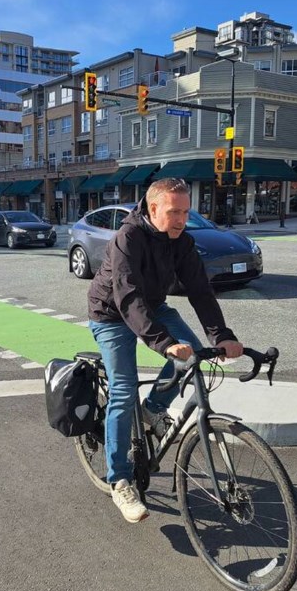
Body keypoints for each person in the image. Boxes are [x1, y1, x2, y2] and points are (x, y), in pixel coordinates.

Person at [86, 177, 243, 523]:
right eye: (174, 212)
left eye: (186, 212)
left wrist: (222, 335)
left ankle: (154, 407)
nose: (181, 220)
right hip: (110, 313)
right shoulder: (128, 238)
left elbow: (201, 290)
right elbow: (127, 296)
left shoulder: (182, 242)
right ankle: (120, 480)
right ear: (153, 208)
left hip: (152, 306)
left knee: (194, 356)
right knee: (124, 390)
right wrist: (165, 343)